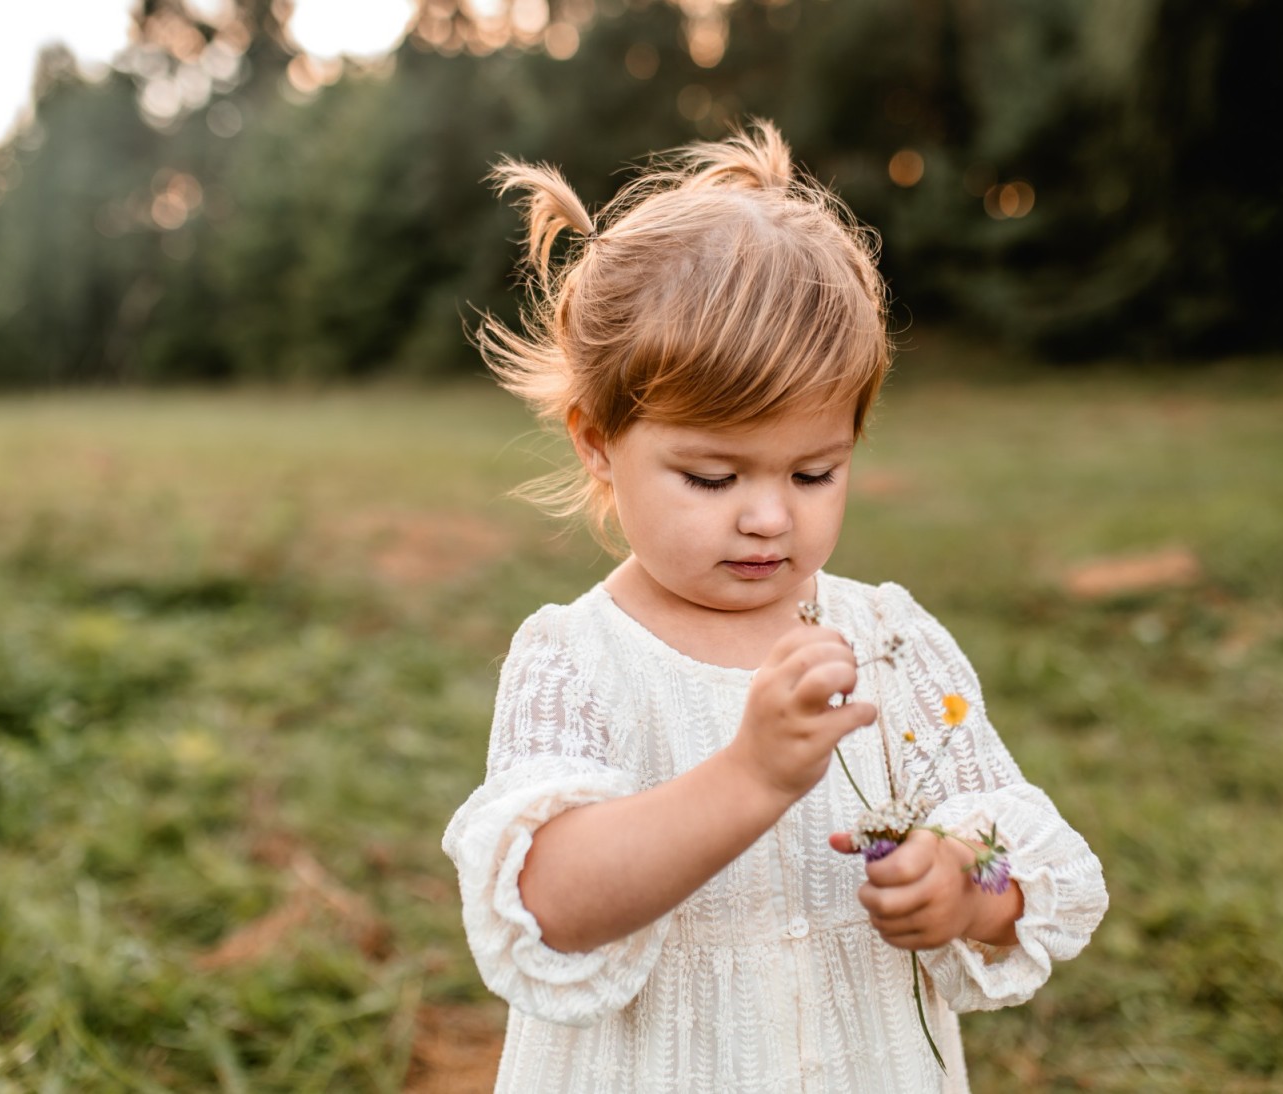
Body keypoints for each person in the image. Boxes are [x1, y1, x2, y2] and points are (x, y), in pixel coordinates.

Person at [442, 121, 1108, 1093]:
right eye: (711, 476)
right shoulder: (574, 660)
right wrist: (749, 774)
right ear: (596, 440)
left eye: (813, 469)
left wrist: (967, 881)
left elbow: (1017, 841)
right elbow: (548, 902)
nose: (767, 516)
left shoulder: (890, 642)